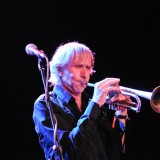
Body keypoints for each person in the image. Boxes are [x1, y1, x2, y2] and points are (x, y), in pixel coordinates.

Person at [32, 41, 131, 160]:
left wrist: (121, 113)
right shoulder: (45, 104)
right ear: (60, 70)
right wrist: (95, 105)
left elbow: (114, 153)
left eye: (88, 67)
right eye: (78, 66)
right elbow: (67, 154)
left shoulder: (91, 105)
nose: (85, 74)